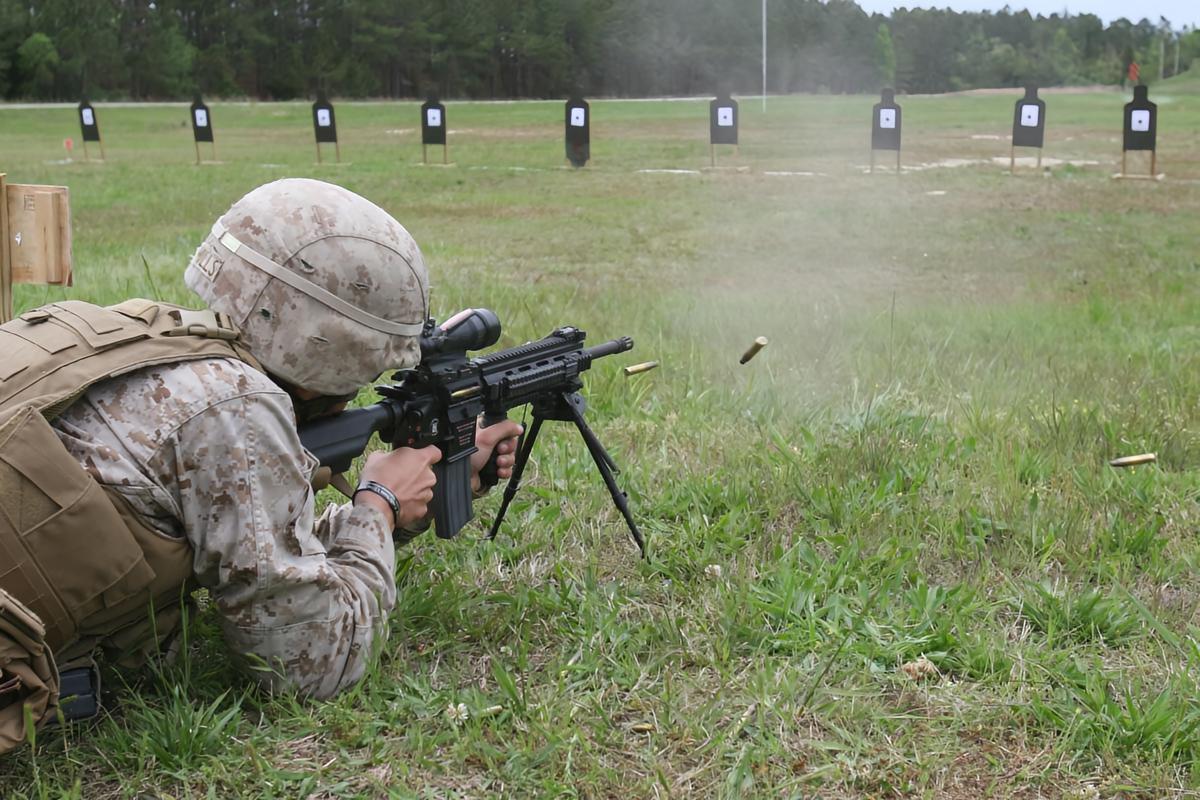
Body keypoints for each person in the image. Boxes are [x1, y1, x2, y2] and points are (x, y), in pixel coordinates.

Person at [0, 178, 522, 751]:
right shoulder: (234, 409)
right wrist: (377, 505)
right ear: (331, 346)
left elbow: (253, 540)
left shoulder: (147, 340)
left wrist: (409, 495)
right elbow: (308, 665)